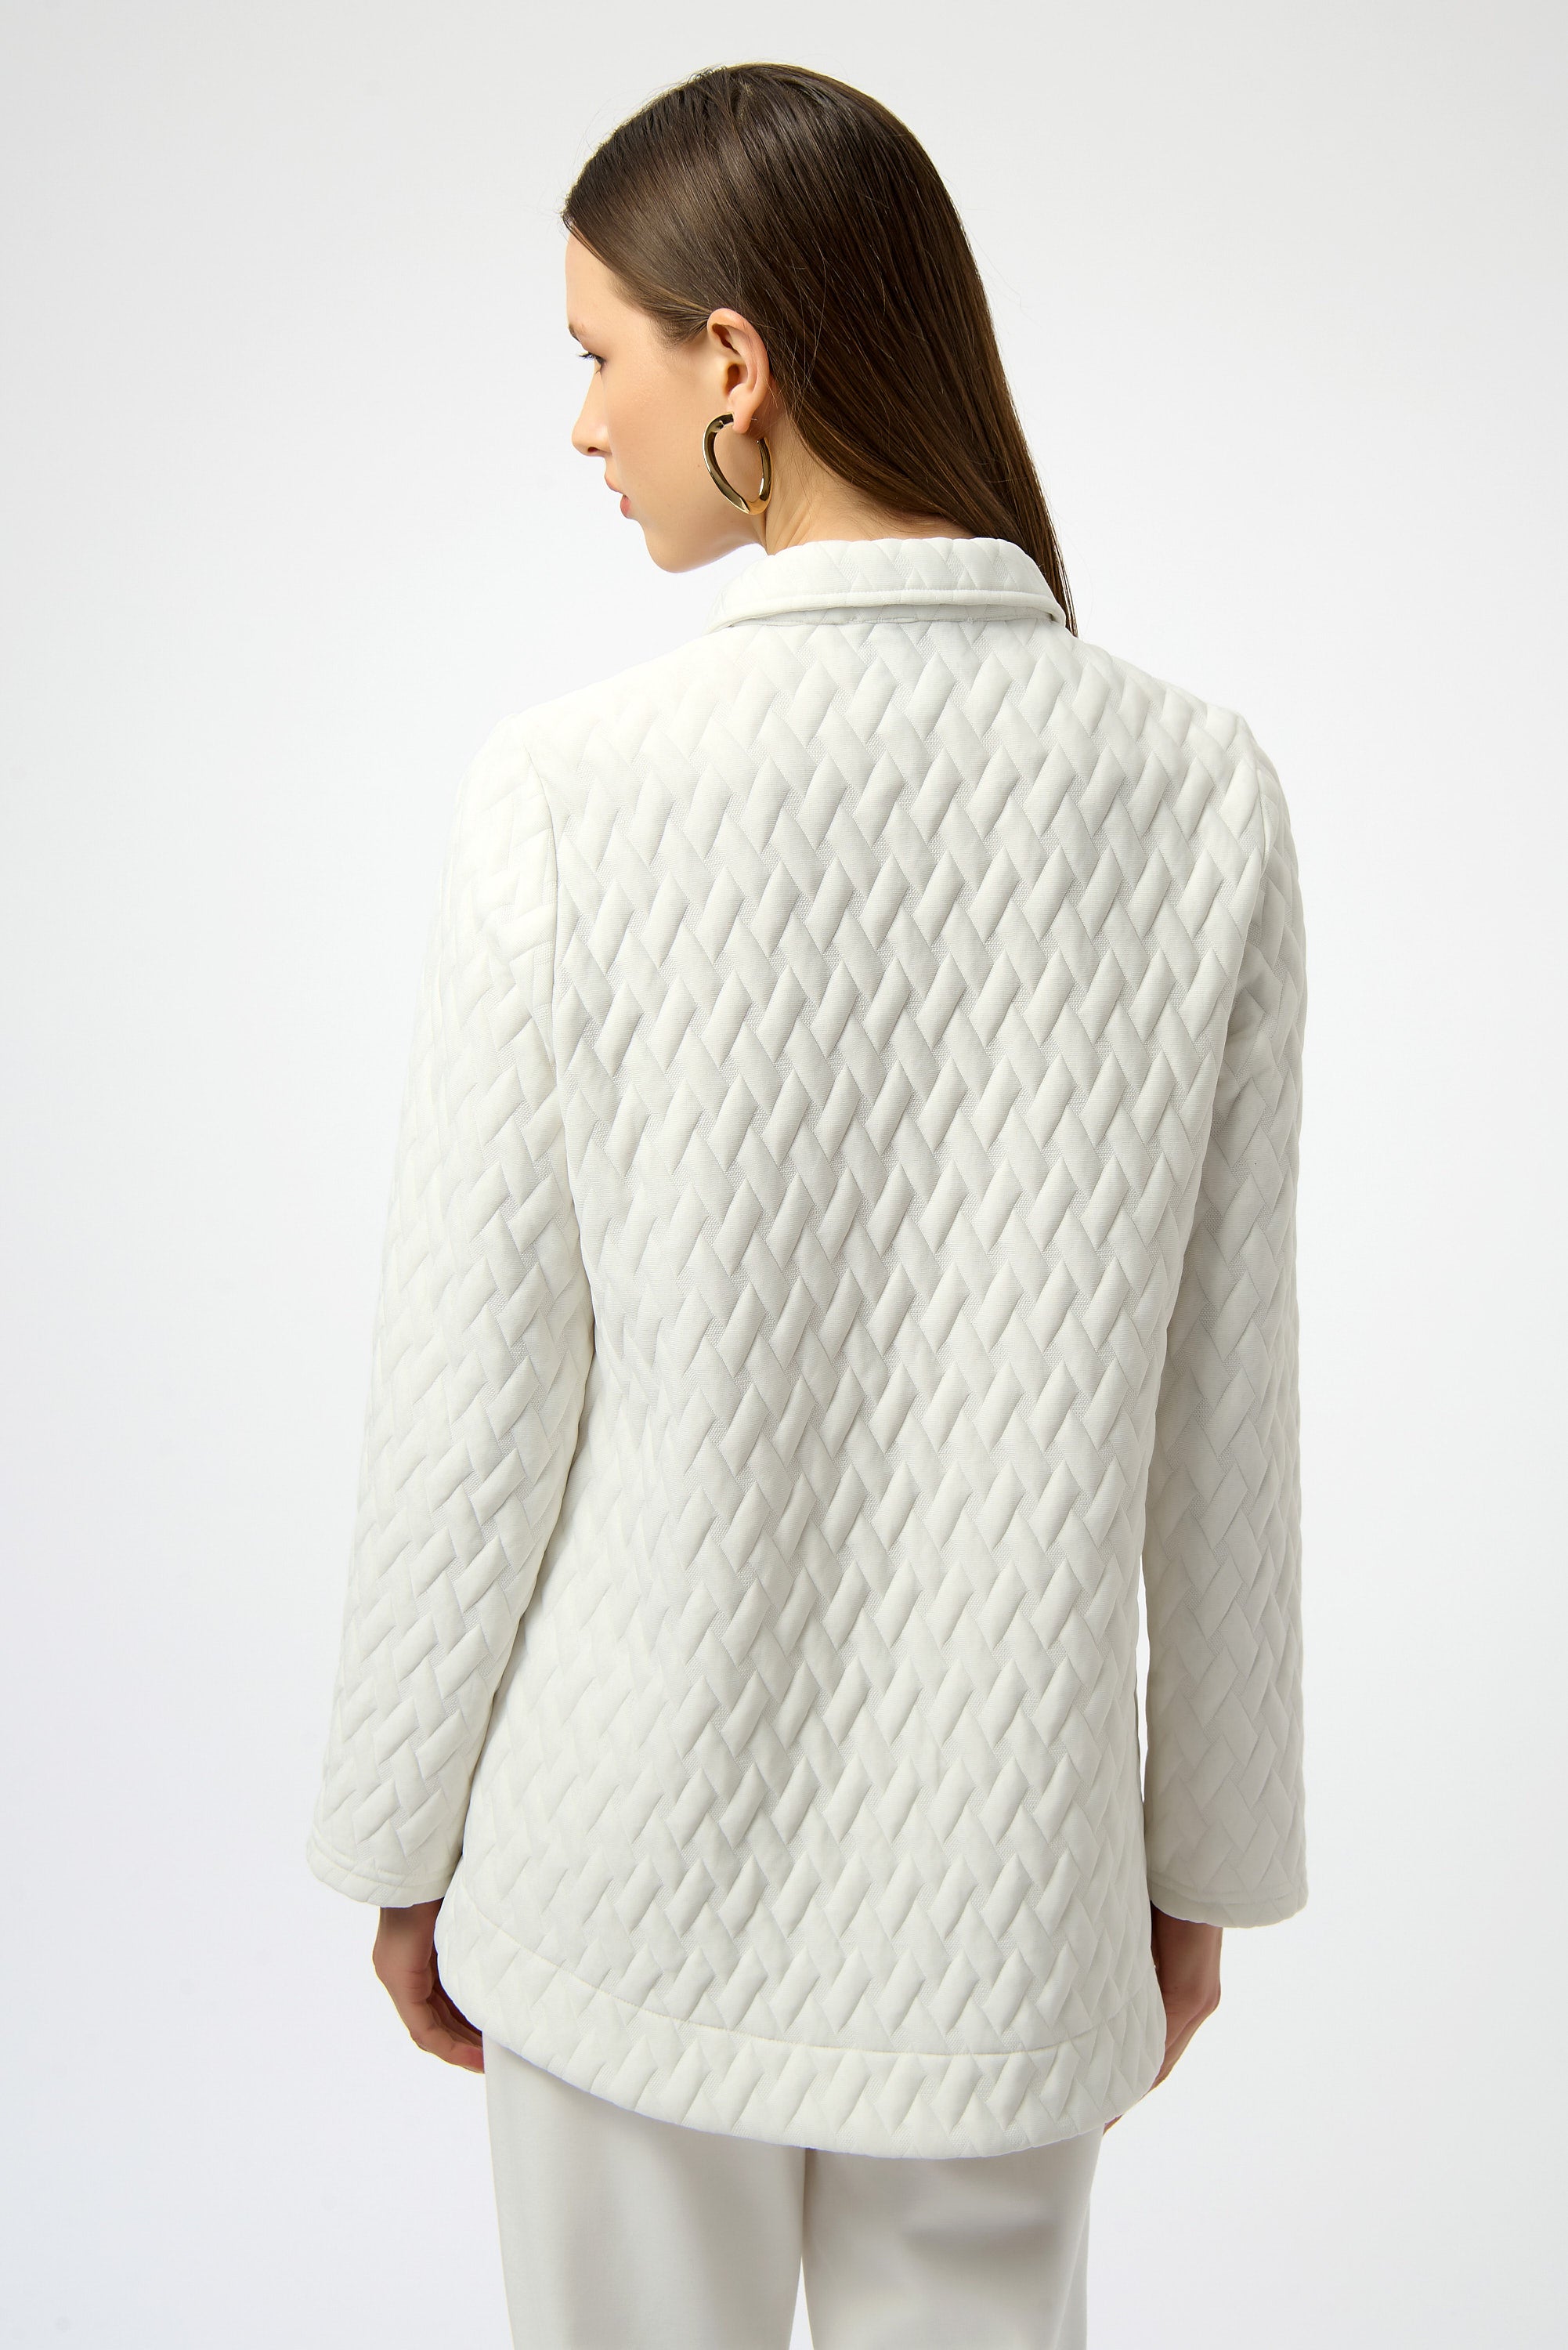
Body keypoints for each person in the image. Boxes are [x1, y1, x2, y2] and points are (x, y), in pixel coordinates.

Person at [305, 61, 1308, 2350]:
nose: (584, 424)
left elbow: (473, 1394)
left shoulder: (568, 795)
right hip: (1003, 1898)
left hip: (612, 1880)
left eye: (601, 354)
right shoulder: (1197, 796)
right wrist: (1198, 1861)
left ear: (735, 363)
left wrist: (396, 1837)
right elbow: (1222, 1414)